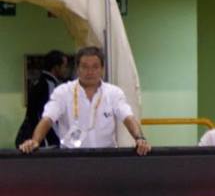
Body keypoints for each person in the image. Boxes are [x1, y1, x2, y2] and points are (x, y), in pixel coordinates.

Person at [18, 46, 150, 155]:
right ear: (77, 69)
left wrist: (140, 138)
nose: (90, 72)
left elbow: (127, 117)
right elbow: (47, 118)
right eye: (85, 67)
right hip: (71, 159)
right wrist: (35, 141)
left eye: (95, 67)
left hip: (107, 158)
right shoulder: (63, 92)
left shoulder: (114, 93)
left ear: (102, 70)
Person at [15, 50, 69, 148]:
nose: (66, 70)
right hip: (43, 141)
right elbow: (48, 116)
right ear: (56, 67)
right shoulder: (49, 85)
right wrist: (56, 140)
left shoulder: (39, 82)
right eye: (64, 66)